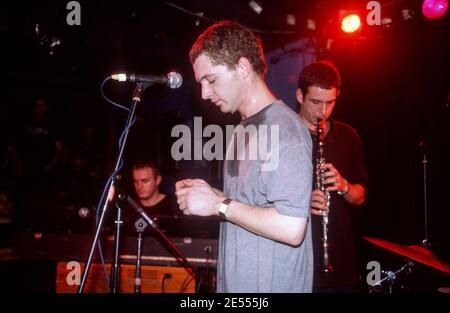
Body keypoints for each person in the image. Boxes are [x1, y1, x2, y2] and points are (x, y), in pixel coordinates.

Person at [175, 21, 313, 293]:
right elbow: (251, 204)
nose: (204, 93)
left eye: (211, 80)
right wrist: (210, 194)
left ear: (243, 67)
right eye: (201, 83)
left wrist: (219, 204)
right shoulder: (241, 130)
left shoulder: (285, 130)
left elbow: (291, 228)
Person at [296, 61, 368, 292]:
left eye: (330, 103)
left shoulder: (348, 136)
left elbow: (360, 197)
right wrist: (300, 202)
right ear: (300, 95)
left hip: (341, 265)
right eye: (316, 102)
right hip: (298, 262)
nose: (323, 111)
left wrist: (344, 186)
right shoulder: (283, 136)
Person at [121, 159, 179, 234]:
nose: (139, 186)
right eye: (135, 181)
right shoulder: (128, 208)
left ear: (158, 180)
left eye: (144, 181)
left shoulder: (174, 206)